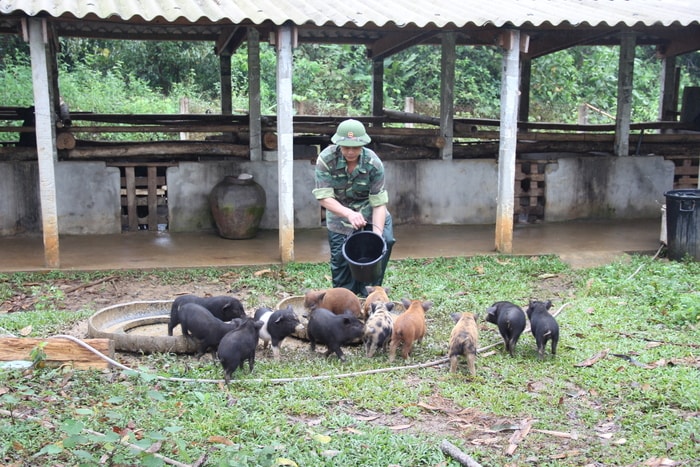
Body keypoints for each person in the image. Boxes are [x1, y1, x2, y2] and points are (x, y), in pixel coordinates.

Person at [312, 119, 395, 296]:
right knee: (341, 261)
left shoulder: (374, 163)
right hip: (340, 215)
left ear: (363, 144)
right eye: (345, 147)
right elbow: (324, 197)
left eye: (355, 147)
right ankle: (345, 300)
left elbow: (379, 203)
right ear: (338, 143)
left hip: (371, 212)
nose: (350, 151)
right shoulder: (326, 159)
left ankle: (371, 295)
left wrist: (377, 236)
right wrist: (349, 214)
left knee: (383, 244)